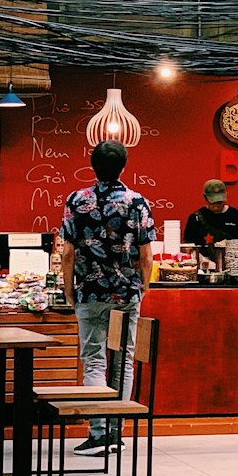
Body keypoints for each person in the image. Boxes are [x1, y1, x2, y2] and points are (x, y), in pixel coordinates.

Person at [60, 140, 155, 455]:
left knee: (94, 360)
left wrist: (68, 289)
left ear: (92, 165)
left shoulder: (76, 200)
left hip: (89, 292)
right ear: (124, 167)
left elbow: (68, 253)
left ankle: (98, 433)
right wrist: (144, 288)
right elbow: (146, 255)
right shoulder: (137, 201)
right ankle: (117, 432)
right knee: (123, 359)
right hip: (127, 292)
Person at [183, 180, 238, 258]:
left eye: (219, 202)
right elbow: (187, 245)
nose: (216, 206)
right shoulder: (195, 218)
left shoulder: (236, 215)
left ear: (225, 196)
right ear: (205, 197)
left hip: (232, 261)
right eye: (212, 202)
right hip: (203, 263)